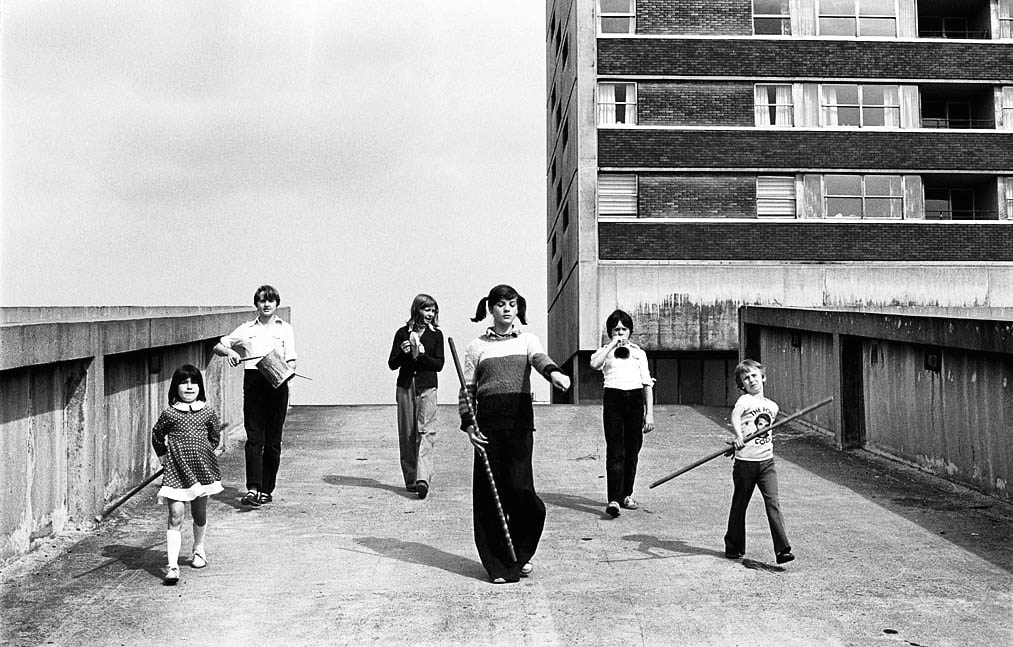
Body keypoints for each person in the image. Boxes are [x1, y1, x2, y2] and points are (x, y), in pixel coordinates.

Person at [459, 284, 571, 583]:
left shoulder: (527, 340)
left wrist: (555, 374)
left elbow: (540, 360)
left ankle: (519, 553)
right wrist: (469, 425)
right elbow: (467, 391)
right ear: (490, 309)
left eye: (512, 304)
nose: (507, 309)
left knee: (522, 493)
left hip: (520, 426)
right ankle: (497, 564)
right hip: (487, 430)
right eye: (500, 304)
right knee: (489, 498)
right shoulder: (476, 347)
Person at [213, 284, 297, 508]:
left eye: (270, 300)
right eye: (262, 300)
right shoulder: (246, 328)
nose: (266, 304)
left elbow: (291, 359)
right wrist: (230, 352)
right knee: (254, 439)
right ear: (256, 304)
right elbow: (219, 346)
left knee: (272, 441)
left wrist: (288, 371)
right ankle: (253, 488)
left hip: (276, 382)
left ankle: (266, 490)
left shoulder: (285, 328)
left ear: (276, 303)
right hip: (253, 382)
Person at [151, 364, 224, 584]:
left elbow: (214, 436)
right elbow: (157, 435)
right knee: (175, 515)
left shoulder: (208, 412)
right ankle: (172, 566)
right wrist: (164, 457)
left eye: (194, 382)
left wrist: (203, 452)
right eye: (184, 382)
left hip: (201, 471)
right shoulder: (170, 413)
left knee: (200, 513)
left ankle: (198, 549)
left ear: (200, 387)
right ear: (176, 387)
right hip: (176, 472)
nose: (189, 387)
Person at [723, 359, 795, 565]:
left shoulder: (772, 407)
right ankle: (733, 545)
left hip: (766, 463)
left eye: (754, 375)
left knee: (773, 503)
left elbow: (761, 434)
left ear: (763, 377)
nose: (751, 380)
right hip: (745, 463)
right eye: (746, 378)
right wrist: (737, 437)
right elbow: (736, 416)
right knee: (740, 504)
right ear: (742, 385)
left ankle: (783, 550)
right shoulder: (745, 401)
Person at [589, 309, 655, 518]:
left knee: (632, 450)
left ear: (630, 331)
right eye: (616, 329)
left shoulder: (638, 353)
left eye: (624, 329)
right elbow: (593, 364)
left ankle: (626, 494)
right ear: (610, 331)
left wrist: (649, 414)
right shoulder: (605, 352)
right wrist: (610, 345)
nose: (620, 333)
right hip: (613, 400)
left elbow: (647, 385)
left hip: (635, 401)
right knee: (615, 450)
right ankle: (614, 499)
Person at [387, 294, 445, 499]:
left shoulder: (436, 335)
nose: (430, 314)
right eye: (427, 310)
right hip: (405, 386)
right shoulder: (402, 333)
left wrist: (422, 354)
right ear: (417, 309)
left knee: (426, 431)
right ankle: (411, 479)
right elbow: (392, 363)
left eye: (433, 310)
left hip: (427, 387)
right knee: (408, 433)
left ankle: (423, 479)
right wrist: (404, 352)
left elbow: (439, 364)